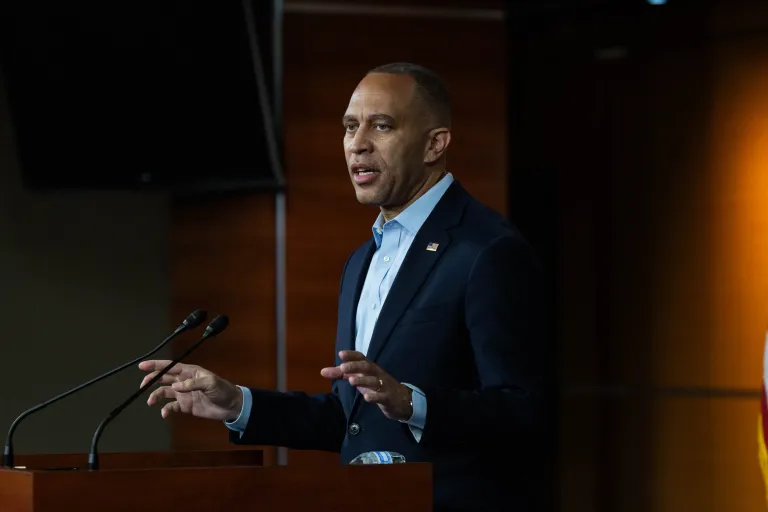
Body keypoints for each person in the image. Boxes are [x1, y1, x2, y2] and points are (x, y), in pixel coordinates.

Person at [139, 62, 554, 511]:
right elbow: (350, 418)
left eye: (382, 126)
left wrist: (412, 403)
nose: (358, 144)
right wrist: (238, 404)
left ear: (435, 144)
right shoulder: (361, 261)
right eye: (350, 127)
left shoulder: (487, 251)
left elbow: (523, 410)